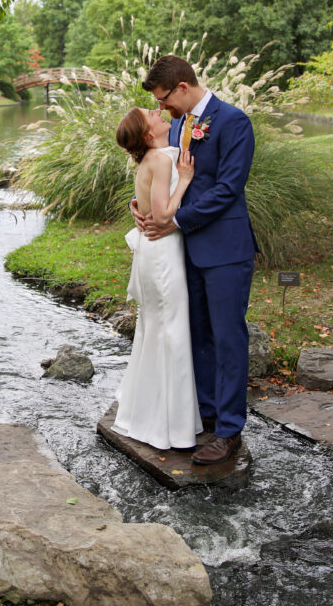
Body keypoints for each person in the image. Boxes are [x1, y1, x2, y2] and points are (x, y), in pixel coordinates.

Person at [132, 54, 257, 466]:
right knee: (198, 334)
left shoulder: (234, 122)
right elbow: (160, 172)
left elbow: (227, 189)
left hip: (225, 250)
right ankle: (204, 413)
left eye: (164, 99)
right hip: (187, 250)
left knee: (227, 338)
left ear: (182, 88)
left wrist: (175, 222)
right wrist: (142, 205)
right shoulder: (183, 123)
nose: (162, 108)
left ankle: (228, 430)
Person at [111, 106, 202, 450]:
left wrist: (140, 205)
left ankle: (149, 413)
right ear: (148, 134)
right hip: (162, 254)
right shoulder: (162, 160)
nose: (156, 111)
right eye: (150, 114)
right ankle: (171, 427)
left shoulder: (153, 156)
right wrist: (186, 181)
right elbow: (163, 214)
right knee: (171, 331)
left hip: (153, 253)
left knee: (156, 330)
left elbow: (148, 204)